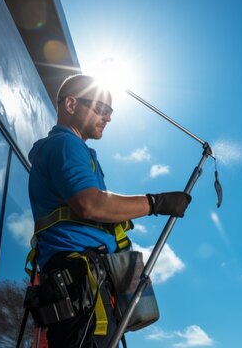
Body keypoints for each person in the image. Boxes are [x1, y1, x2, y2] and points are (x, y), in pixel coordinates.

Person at [28, 74, 191, 347]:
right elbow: (91, 203)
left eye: (110, 111)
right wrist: (156, 203)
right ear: (71, 104)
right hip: (79, 284)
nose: (108, 117)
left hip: (86, 284)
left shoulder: (73, 149)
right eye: (100, 109)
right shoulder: (65, 145)